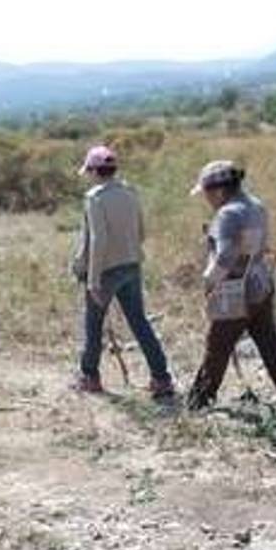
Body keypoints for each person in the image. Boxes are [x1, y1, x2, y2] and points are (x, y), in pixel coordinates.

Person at [185, 161, 276, 418]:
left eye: (206, 193)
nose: (205, 198)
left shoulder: (227, 214)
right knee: (270, 343)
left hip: (233, 291)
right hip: (260, 283)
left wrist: (209, 281)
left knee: (217, 346)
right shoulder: (255, 205)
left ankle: (199, 402)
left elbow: (226, 256)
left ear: (218, 191)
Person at [70, 145, 174, 398]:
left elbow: (98, 240)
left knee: (93, 325)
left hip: (105, 270)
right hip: (132, 264)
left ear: (95, 170)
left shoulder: (95, 197)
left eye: (90, 171)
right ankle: (161, 379)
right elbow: (141, 231)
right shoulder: (130, 192)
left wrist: (93, 280)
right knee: (139, 322)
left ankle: (89, 377)